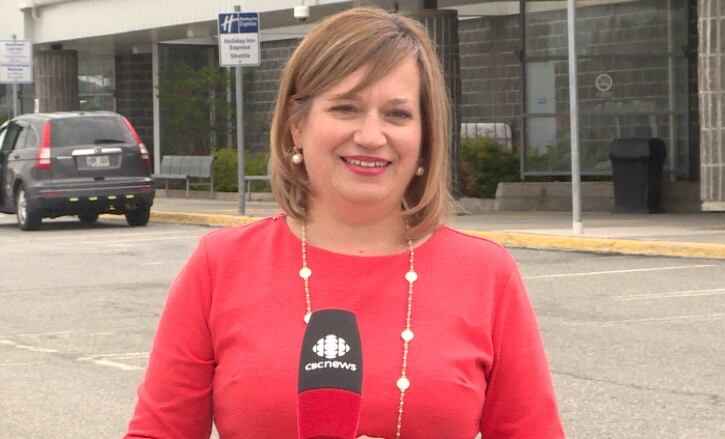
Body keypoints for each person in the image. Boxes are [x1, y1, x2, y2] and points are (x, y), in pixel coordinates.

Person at [125, 6, 564, 439]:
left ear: (425, 135)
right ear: (297, 125)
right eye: (346, 108)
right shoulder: (219, 267)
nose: (372, 136)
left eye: (398, 114)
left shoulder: (487, 275)